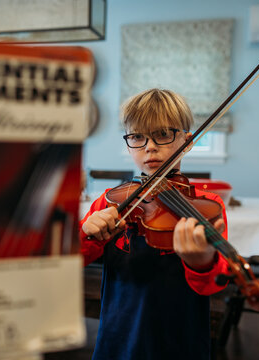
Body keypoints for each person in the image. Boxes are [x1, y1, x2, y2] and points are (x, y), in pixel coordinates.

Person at [80, 89, 230, 360]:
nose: (149, 146)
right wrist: (88, 232)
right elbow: (74, 258)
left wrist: (202, 261)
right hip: (119, 331)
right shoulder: (111, 201)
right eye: (138, 137)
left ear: (187, 141)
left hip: (179, 337)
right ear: (128, 145)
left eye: (162, 134)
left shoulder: (206, 206)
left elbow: (212, 284)